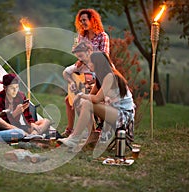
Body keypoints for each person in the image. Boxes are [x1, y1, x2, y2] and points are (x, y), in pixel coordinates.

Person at [58, 51, 135, 149]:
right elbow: (90, 96)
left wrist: (80, 95)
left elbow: (96, 99)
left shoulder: (110, 76)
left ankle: (74, 138)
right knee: (83, 103)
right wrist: (79, 99)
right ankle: (91, 136)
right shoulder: (100, 77)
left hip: (123, 115)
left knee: (87, 103)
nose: (88, 65)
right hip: (114, 110)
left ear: (98, 63)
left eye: (90, 62)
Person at [62, 8, 110, 137]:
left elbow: (104, 56)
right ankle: (69, 129)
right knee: (68, 99)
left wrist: (87, 57)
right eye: (80, 20)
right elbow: (79, 53)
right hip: (83, 66)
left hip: (98, 67)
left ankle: (95, 129)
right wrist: (80, 60)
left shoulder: (102, 36)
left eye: (84, 20)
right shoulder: (81, 36)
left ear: (92, 20)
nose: (82, 23)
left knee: (83, 100)